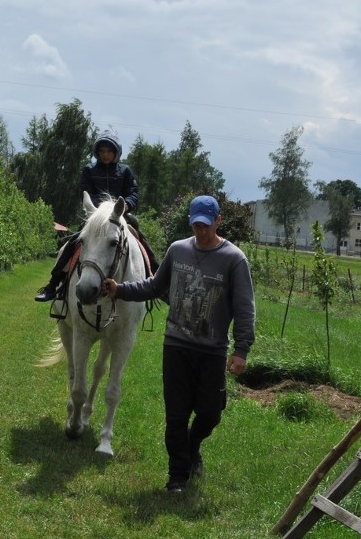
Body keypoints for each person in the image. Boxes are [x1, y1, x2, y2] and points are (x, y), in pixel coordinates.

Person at [102, 195, 256, 493]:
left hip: (212, 349)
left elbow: (244, 307)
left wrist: (241, 349)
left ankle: (192, 443)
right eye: (196, 225)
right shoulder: (178, 250)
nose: (201, 231)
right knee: (176, 414)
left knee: (210, 413)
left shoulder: (234, 259)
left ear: (218, 222)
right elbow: (154, 286)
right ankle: (177, 477)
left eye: (206, 226)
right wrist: (120, 290)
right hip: (176, 345)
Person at [34, 127, 157, 302]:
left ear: (116, 152)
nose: (105, 155)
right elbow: (86, 193)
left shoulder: (125, 172)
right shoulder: (89, 170)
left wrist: (125, 206)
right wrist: (99, 211)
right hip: (95, 217)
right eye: (102, 151)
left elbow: (133, 194)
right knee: (71, 244)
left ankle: (158, 284)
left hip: (119, 217)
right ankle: (53, 286)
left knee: (142, 241)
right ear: (97, 152)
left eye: (109, 151)